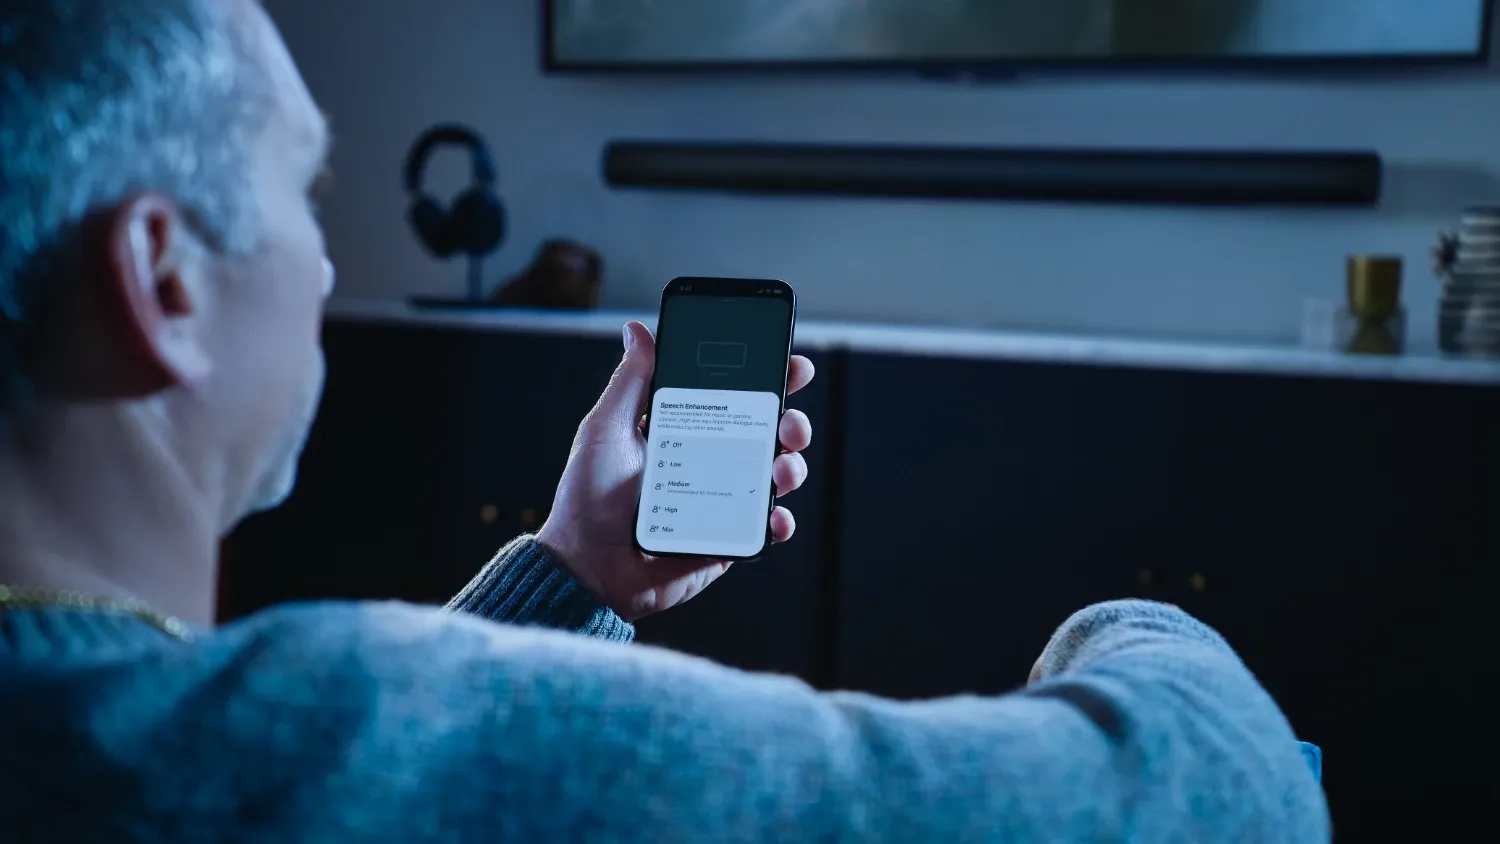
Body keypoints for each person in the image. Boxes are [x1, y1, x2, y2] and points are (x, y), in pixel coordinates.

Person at [0, 0, 1328, 841]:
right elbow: (1218, 795)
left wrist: (566, 571)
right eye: (306, 187)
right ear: (166, 279)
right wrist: (1146, 622)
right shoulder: (337, 726)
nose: (330, 264)